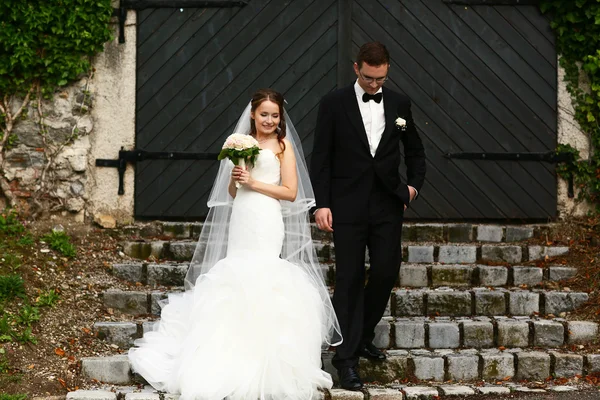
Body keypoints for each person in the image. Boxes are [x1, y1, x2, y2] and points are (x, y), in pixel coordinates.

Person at [128, 88, 342, 400]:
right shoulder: (239, 144)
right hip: (243, 216)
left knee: (263, 273)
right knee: (235, 274)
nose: (268, 120)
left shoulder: (283, 146)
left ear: (280, 119)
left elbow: (291, 192)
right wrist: (237, 177)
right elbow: (231, 192)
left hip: (268, 218)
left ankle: (265, 357)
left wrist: (254, 182)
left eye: (274, 115)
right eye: (263, 114)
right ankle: (226, 353)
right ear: (253, 115)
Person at [310, 42, 426, 390]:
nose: (376, 85)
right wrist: (321, 204)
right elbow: (322, 158)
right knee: (347, 278)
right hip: (346, 205)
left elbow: (416, 152)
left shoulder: (399, 103)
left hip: (387, 204)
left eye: (382, 79)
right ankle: (346, 362)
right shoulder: (333, 103)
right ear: (356, 68)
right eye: (369, 78)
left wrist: (412, 188)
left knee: (386, 272)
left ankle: (359, 335)